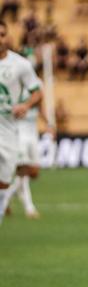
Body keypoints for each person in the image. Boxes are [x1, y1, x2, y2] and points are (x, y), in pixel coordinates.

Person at [0, 20, 43, 226]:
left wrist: (25, 106)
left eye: (2, 34)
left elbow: (38, 94)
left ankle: (9, 201)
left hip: (11, 130)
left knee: (20, 176)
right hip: (19, 133)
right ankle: (27, 205)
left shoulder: (21, 67)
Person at [1, 85, 52, 218]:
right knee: (23, 172)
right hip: (19, 133)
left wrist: (48, 125)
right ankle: (28, 208)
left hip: (32, 133)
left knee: (33, 172)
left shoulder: (37, 85)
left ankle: (6, 196)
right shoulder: (14, 83)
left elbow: (40, 106)